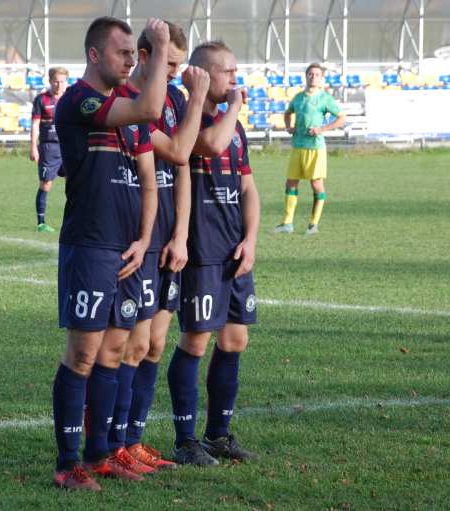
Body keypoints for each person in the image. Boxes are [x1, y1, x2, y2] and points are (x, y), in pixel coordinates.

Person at [51, 16, 169, 491]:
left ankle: (101, 456)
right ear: (95, 55)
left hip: (126, 250)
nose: (130, 59)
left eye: (135, 52)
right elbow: (150, 109)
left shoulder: (122, 106)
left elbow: (147, 179)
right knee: (83, 353)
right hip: (90, 245)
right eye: (123, 52)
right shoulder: (81, 100)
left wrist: (144, 239)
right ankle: (67, 464)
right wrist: (159, 48)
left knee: (115, 350)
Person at [106, 21, 210, 472]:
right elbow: (181, 152)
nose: (175, 73)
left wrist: (182, 232)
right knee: (129, 344)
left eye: (180, 66)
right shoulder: (129, 99)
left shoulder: (174, 98)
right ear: (144, 56)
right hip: (134, 234)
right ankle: (114, 443)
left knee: (154, 343)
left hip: (167, 235)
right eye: (169, 64)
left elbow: (183, 171)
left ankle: (135, 440)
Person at [168, 41, 261, 466]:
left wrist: (252, 239)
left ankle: (218, 436)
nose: (235, 80)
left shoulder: (233, 126)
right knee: (196, 340)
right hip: (202, 250)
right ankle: (186, 440)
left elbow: (248, 189)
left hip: (234, 250)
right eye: (229, 73)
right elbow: (207, 145)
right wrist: (235, 107)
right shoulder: (191, 120)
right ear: (205, 75)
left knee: (235, 338)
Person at [273, 62, 346, 235]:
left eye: (317, 75)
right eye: (310, 74)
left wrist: (322, 129)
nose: (313, 77)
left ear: (322, 79)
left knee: (316, 184)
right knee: (291, 182)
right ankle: (287, 223)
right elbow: (287, 113)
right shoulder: (298, 97)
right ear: (305, 76)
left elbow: (341, 118)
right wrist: (288, 126)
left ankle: (313, 225)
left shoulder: (325, 98)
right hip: (297, 146)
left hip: (315, 148)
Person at [30, 67, 68, 233]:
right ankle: (41, 222)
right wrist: (33, 147)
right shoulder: (41, 100)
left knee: (73, 182)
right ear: (50, 81)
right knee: (46, 183)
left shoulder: (69, 99)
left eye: (62, 81)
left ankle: (73, 220)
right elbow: (35, 125)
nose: (59, 85)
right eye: (56, 81)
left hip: (68, 146)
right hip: (49, 147)